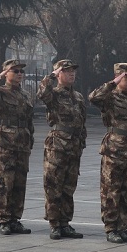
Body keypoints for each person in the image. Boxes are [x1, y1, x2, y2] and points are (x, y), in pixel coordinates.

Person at [89, 63, 127, 244]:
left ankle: (123, 227)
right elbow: (93, 97)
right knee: (111, 190)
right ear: (118, 77)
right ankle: (111, 228)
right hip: (115, 151)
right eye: (126, 76)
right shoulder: (109, 97)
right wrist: (112, 83)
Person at [0, 59, 34, 235]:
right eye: (15, 71)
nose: (19, 74)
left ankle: (15, 219)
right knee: (4, 181)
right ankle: (4, 219)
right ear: (6, 73)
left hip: (23, 142)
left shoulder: (25, 94)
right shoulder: (0, 92)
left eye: (21, 71)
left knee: (19, 182)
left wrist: (30, 139)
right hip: (6, 142)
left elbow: (29, 119)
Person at [37, 59, 87, 240]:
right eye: (66, 71)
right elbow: (42, 94)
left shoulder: (78, 97)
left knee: (69, 186)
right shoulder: (54, 94)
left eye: (73, 70)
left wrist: (81, 142)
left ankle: (65, 223)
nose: (71, 73)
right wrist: (51, 76)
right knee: (53, 185)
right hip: (57, 145)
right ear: (58, 74)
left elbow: (82, 122)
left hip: (74, 146)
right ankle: (54, 224)